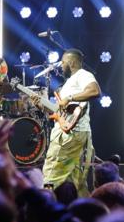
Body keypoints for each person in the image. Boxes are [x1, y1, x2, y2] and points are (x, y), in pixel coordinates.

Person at [33, 48, 101, 196]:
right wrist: (41, 105)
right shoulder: (69, 83)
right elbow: (59, 112)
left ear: (71, 62)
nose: (61, 66)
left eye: (63, 62)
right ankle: (86, 214)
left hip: (69, 135)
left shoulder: (83, 75)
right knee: (77, 181)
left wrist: (69, 98)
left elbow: (95, 91)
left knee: (51, 174)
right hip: (72, 132)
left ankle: (45, 209)